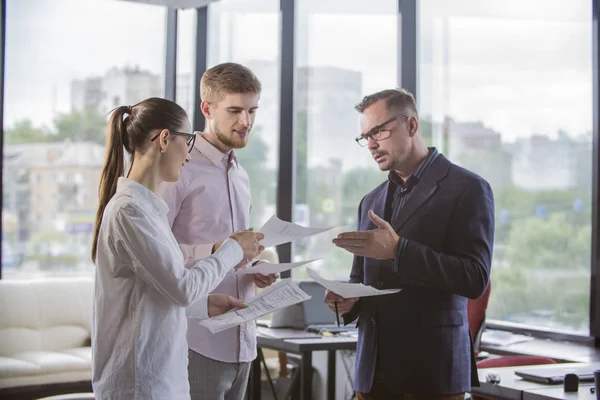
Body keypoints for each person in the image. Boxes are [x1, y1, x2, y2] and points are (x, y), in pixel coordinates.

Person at [91, 97, 264, 400]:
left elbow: (155, 292)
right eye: (188, 141)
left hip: (161, 381)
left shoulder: (149, 210)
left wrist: (206, 305)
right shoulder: (128, 212)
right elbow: (182, 287)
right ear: (165, 139)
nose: (189, 153)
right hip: (139, 384)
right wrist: (233, 248)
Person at [327, 89, 495, 399]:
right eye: (366, 136)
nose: (372, 144)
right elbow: (361, 281)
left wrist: (398, 250)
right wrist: (349, 300)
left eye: (379, 131)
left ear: (412, 126)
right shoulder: (371, 201)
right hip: (372, 374)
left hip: (432, 373)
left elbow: (474, 277)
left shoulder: (467, 188)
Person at [158, 62, 278, 400]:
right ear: (207, 109)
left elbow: (236, 249)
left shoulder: (240, 173)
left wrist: (256, 271)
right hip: (196, 340)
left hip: (243, 342)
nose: (247, 121)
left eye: (253, 110)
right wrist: (215, 250)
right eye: (236, 110)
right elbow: (154, 252)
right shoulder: (178, 168)